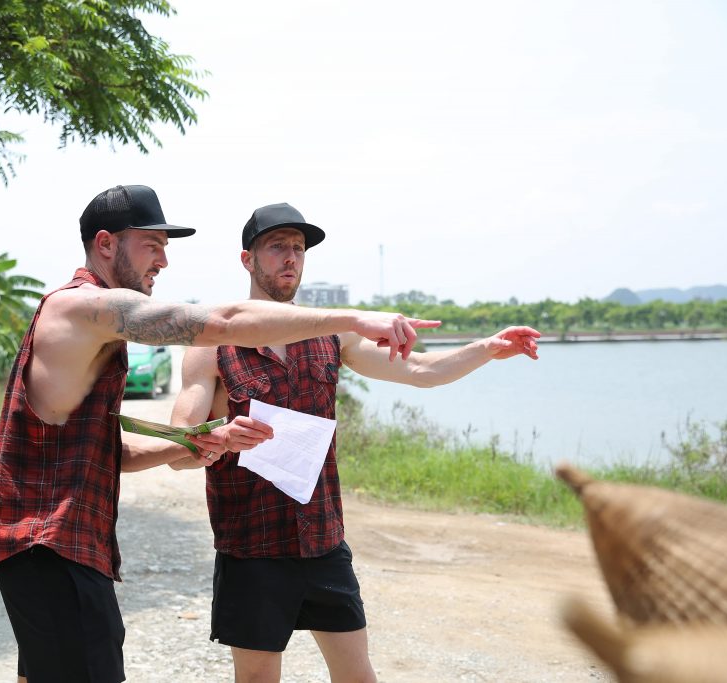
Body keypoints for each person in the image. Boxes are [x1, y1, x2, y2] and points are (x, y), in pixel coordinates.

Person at [0, 185, 440, 683]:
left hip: (59, 548)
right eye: (152, 245)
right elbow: (221, 321)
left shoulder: (94, 327)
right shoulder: (83, 306)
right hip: (50, 541)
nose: (163, 261)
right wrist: (353, 317)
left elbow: (106, 451)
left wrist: (197, 440)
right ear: (106, 244)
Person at [169, 202, 541, 683]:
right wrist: (217, 437)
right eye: (278, 246)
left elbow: (420, 371)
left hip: (322, 538)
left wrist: (485, 349)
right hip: (251, 544)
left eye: (299, 249)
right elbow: (179, 445)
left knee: (358, 676)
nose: (291, 258)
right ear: (247, 259)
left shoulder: (332, 335)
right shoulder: (210, 344)